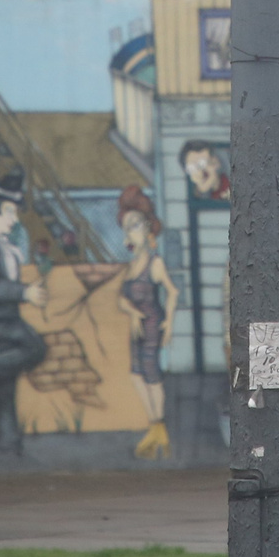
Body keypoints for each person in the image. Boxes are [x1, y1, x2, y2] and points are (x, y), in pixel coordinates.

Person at [0, 171, 47, 456]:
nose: (15, 219)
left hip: (9, 317)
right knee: (36, 348)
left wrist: (27, 292)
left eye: (16, 212)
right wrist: (23, 293)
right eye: (10, 212)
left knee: (7, 384)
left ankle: (8, 440)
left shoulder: (9, 245)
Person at [117, 187, 179, 460]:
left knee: (152, 375)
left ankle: (159, 428)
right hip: (136, 326)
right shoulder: (132, 266)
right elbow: (121, 299)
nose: (130, 232)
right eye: (126, 227)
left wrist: (170, 323)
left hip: (152, 324)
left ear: (148, 227)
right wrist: (132, 312)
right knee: (136, 374)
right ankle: (155, 425)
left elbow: (172, 291)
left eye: (135, 225)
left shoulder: (155, 263)